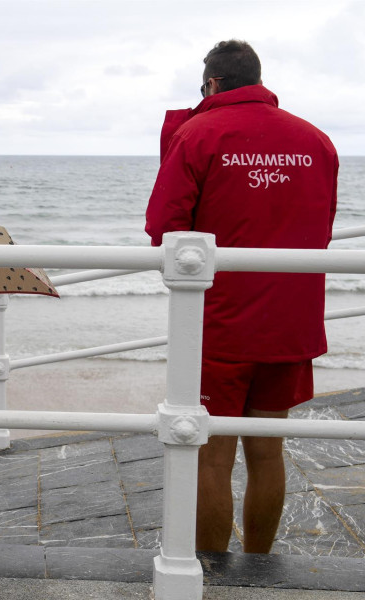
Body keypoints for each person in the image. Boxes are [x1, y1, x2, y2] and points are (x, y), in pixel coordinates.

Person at [145, 40, 338, 553]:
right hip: (290, 320)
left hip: (220, 323)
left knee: (210, 456)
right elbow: (321, 229)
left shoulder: (199, 134)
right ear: (257, 79)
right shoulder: (316, 140)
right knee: (268, 453)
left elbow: (165, 229)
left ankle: (210, 570)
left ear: (211, 84)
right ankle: (257, 566)